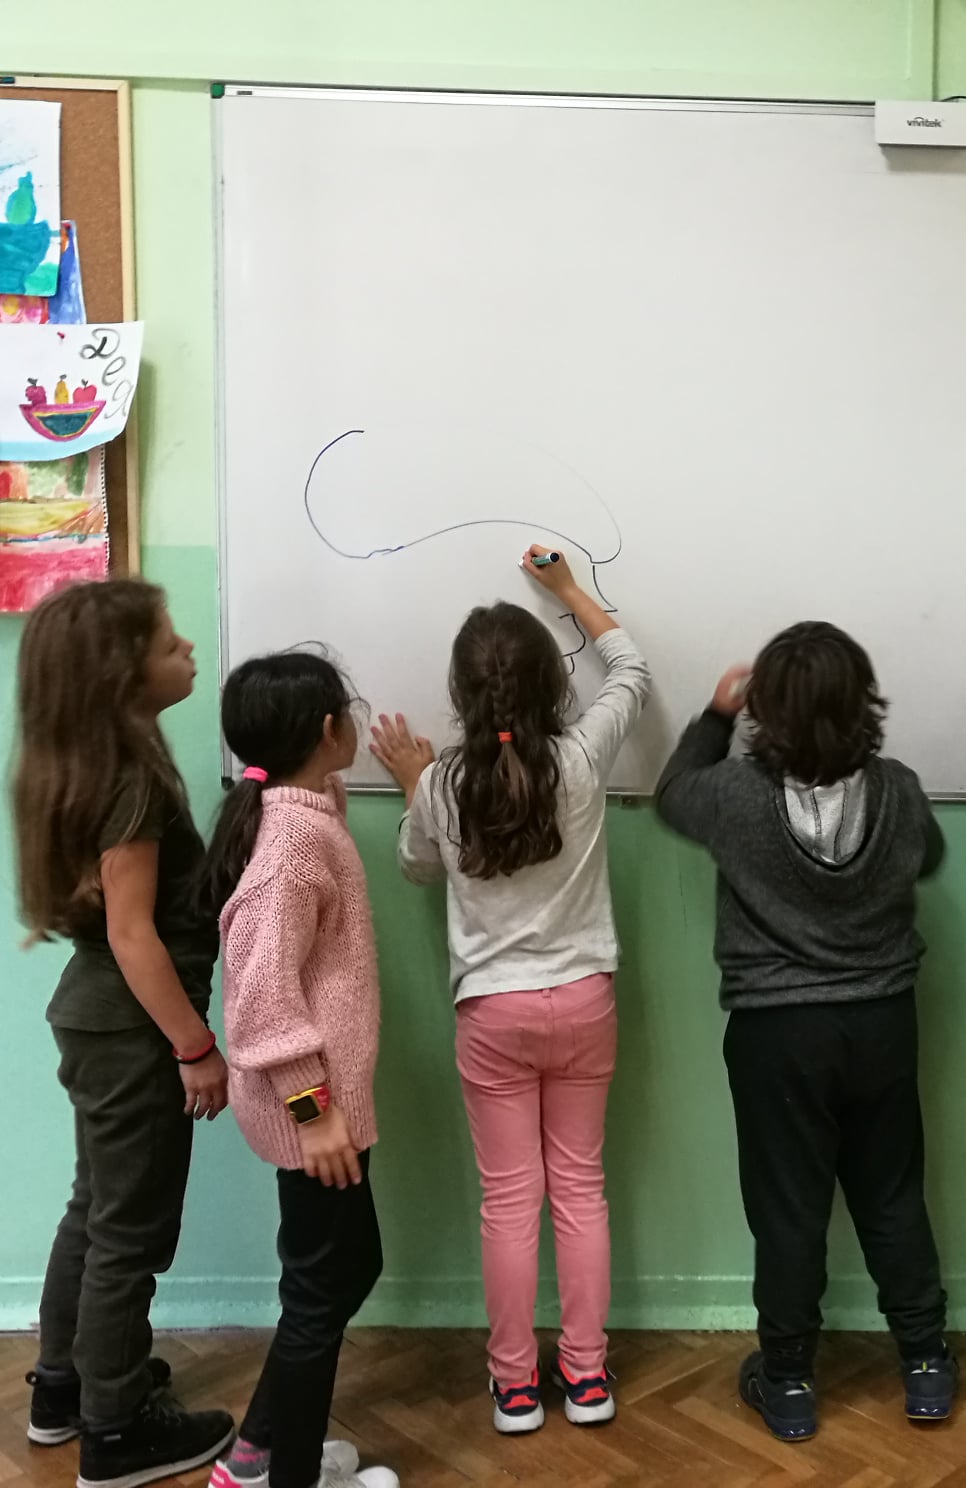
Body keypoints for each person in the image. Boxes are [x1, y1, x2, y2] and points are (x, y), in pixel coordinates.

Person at [656, 621, 954, 1444]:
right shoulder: (898, 789)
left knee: (788, 1209)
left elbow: (673, 792)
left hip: (777, 1033)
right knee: (892, 1194)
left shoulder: (732, 795)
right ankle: (926, 1363)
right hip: (882, 1020)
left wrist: (715, 718)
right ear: (864, 703)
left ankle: (787, 1379)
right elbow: (927, 857)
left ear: (765, 712)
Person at [372, 548, 649, 1435]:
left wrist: (413, 783)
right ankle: (588, 1377)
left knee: (508, 1202)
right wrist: (569, 590)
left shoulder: (441, 786)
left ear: (461, 694)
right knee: (580, 1189)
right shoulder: (580, 759)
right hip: (585, 1001)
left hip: (492, 1012)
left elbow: (418, 868)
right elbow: (633, 671)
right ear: (551, 685)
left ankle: (515, 1388)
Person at [11, 579, 236, 1488]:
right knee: (130, 1235)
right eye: (170, 644)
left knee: (96, 1210)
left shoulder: (92, 765)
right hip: (134, 1031)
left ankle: (65, 1389)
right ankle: (116, 1430)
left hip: (96, 1019)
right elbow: (134, 933)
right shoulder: (133, 782)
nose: (189, 651)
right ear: (122, 673)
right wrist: (196, 1048)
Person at [197, 650, 399, 1488]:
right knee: (319, 1294)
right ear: (327, 730)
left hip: (324, 1105)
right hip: (313, 1113)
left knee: (349, 1268)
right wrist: (314, 1114)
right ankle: (292, 1474)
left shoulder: (302, 818)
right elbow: (261, 1003)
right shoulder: (290, 846)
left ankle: (255, 1455)